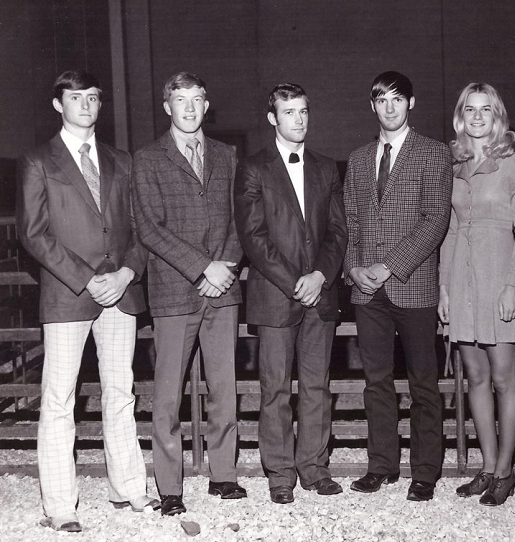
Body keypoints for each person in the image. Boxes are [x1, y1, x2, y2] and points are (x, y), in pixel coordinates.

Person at [16, 70, 157, 532]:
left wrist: (126, 272)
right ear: (59, 104)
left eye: (93, 98)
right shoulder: (39, 160)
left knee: (120, 394)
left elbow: (142, 229)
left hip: (120, 293)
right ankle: (59, 505)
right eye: (76, 98)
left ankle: (131, 489)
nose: (86, 105)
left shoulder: (123, 161)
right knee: (59, 399)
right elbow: (33, 234)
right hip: (68, 295)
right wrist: (86, 278)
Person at [131, 72, 245, 516]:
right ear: (167, 107)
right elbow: (150, 228)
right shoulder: (148, 159)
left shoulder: (226, 155)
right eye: (181, 100)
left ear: (206, 103)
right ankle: (170, 486)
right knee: (166, 395)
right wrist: (202, 268)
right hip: (175, 289)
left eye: (198, 98)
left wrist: (224, 267)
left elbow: (240, 221)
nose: (191, 108)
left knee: (224, 388)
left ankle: (224, 476)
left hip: (223, 290)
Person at [234, 83, 347, 504]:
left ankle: (314, 467)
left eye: (303, 111)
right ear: (272, 119)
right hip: (275, 295)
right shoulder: (253, 168)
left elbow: (338, 231)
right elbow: (253, 236)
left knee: (317, 385)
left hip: (320, 294)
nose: (298, 120)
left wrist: (320, 275)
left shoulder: (325, 167)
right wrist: (294, 280)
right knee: (276, 387)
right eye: (289, 112)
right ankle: (280, 473)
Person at [343, 71, 452, 501]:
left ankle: (425, 471)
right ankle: (382, 465)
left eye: (396, 99)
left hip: (413, 285)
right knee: (376, 381)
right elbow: (350, 222)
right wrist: (354, 269)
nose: (389, 107)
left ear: (411, 103)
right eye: (380, 100)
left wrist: (389, 266)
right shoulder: (357, 158)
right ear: (372, 106)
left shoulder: (434, 153)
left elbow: (435, 220)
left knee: (424, 383)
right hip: (367, 291)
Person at [438, 83, 515, 506]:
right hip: (461, 276)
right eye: (469, 109)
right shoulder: (453, 162)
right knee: (474, 377)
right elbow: (450, 230)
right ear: (461, 116)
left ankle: (506, 470)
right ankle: (487, 466)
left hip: (500, 277)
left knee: (502, 376)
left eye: (486, 109)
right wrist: (443, 287)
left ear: (498, 115)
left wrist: (512, 285)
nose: (477, 117)